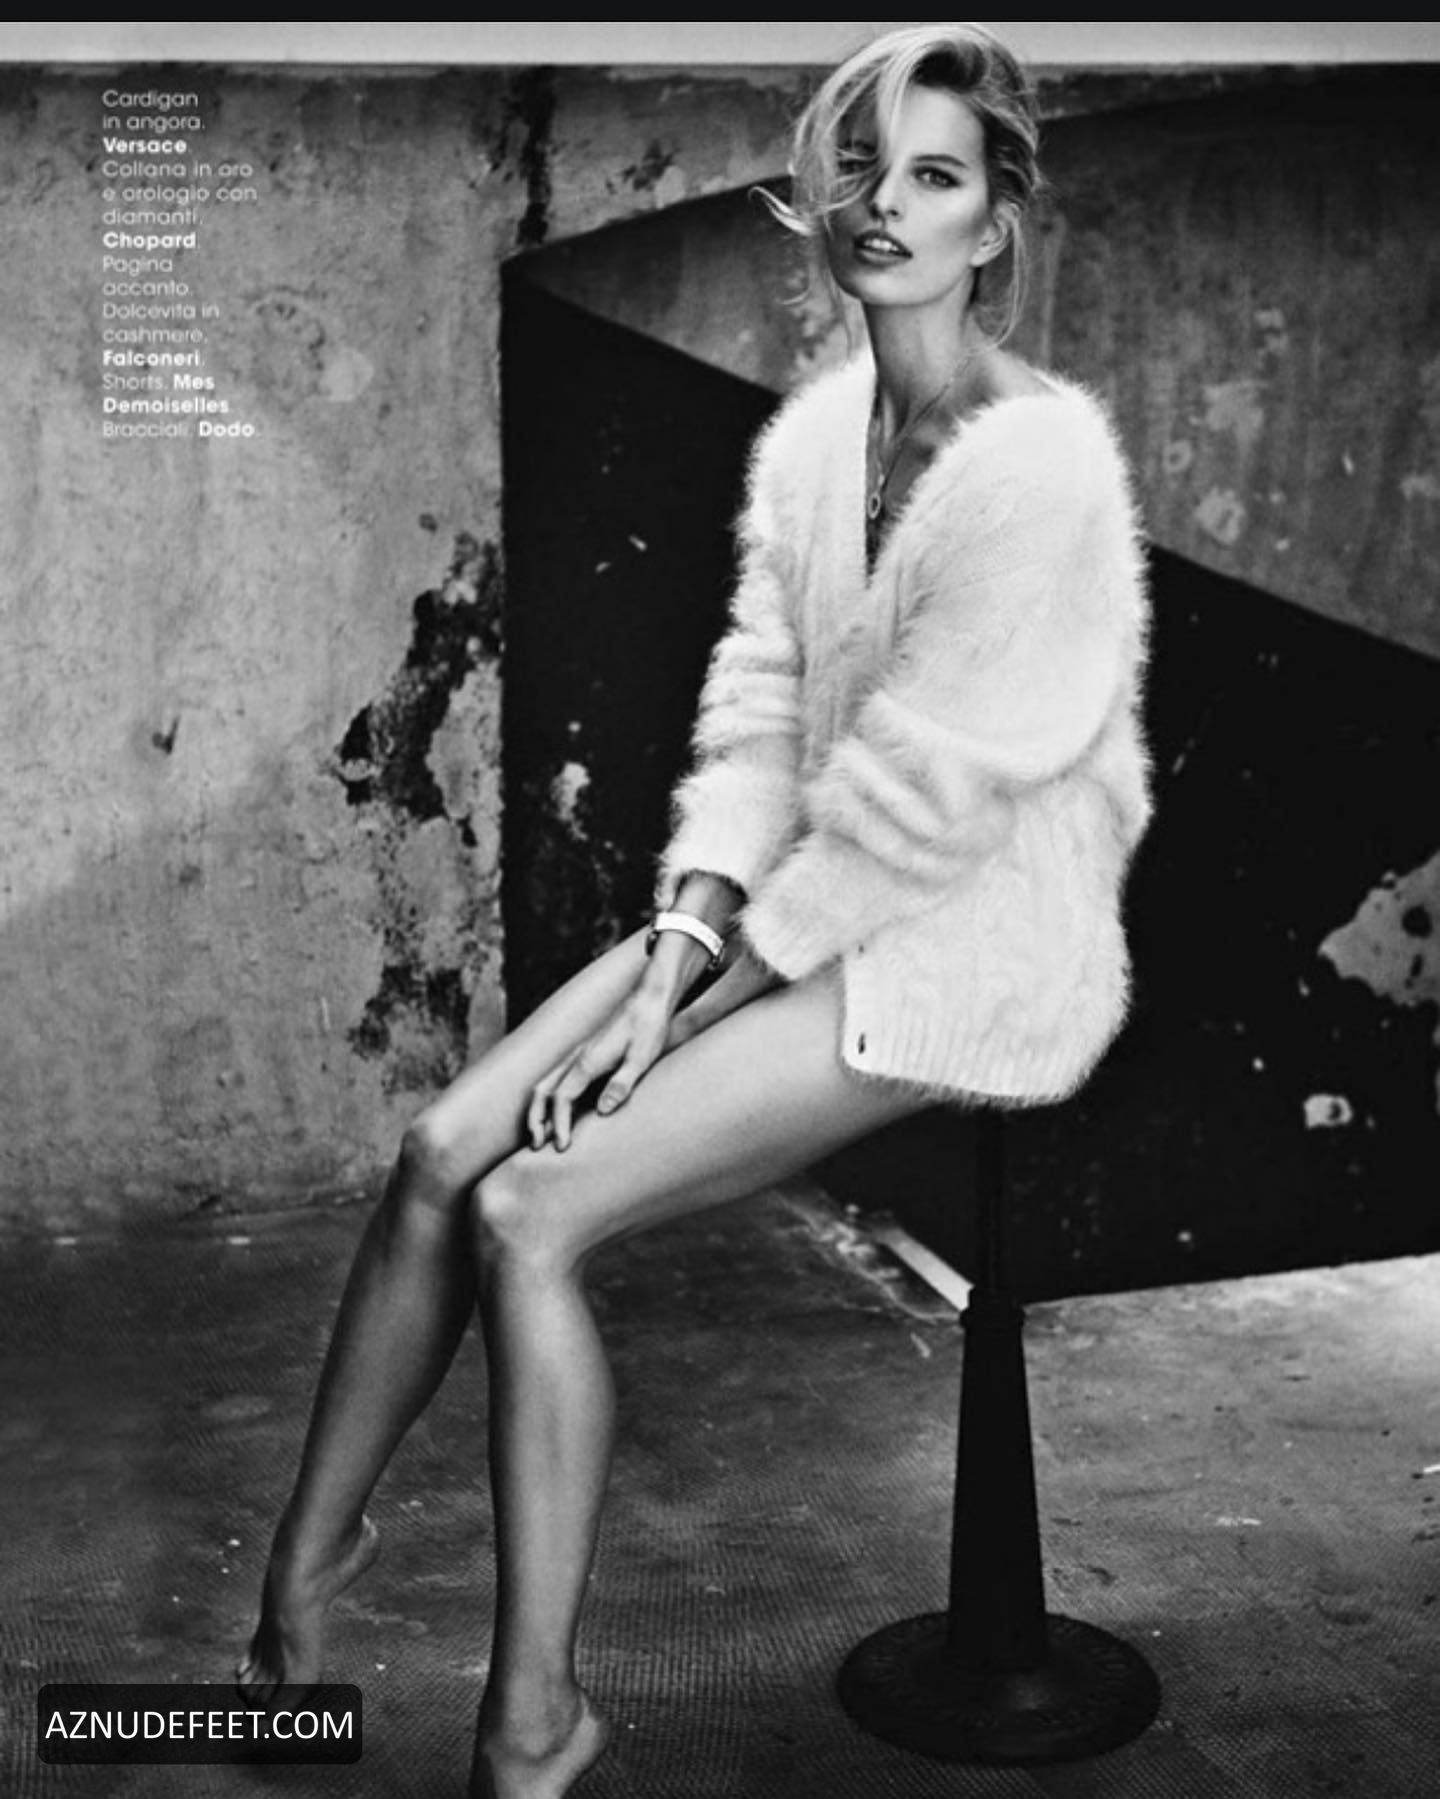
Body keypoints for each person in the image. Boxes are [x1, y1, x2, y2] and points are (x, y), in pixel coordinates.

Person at [239, 21, 1152, 1798]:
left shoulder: (1043, 465)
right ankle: (297, 1588)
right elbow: (757, 719)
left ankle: (533, 1727)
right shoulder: (816, 441)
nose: (884, 205)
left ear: (994, 225)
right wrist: (678, 948)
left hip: (969, 940)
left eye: (935, 177)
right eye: (862, 166)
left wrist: (691, 1002)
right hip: (806, 905)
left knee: (532, 1212)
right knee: (439, 1153)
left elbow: (924, 807)